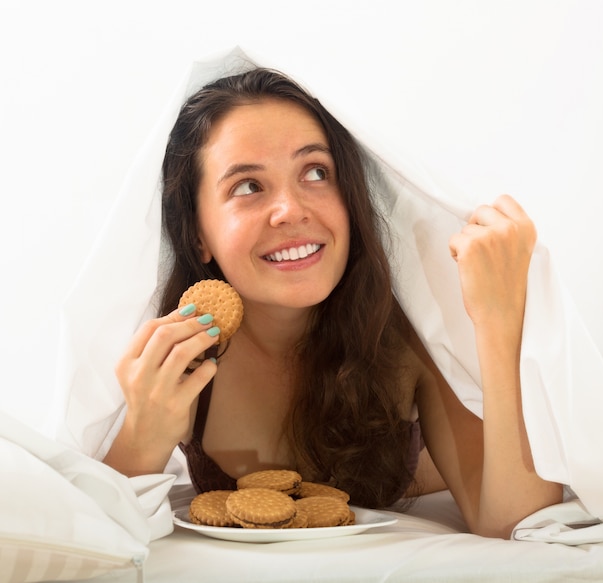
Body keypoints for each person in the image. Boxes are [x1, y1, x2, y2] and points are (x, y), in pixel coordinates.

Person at [101, 67, 563, 539]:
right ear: (198, 233)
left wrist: (502, 319)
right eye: (248, 186)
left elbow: (516, 529)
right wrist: (143, 429)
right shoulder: (178, 357)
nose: (292, 209)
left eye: (316, 172)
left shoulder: (409, 336)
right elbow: (97, 532)